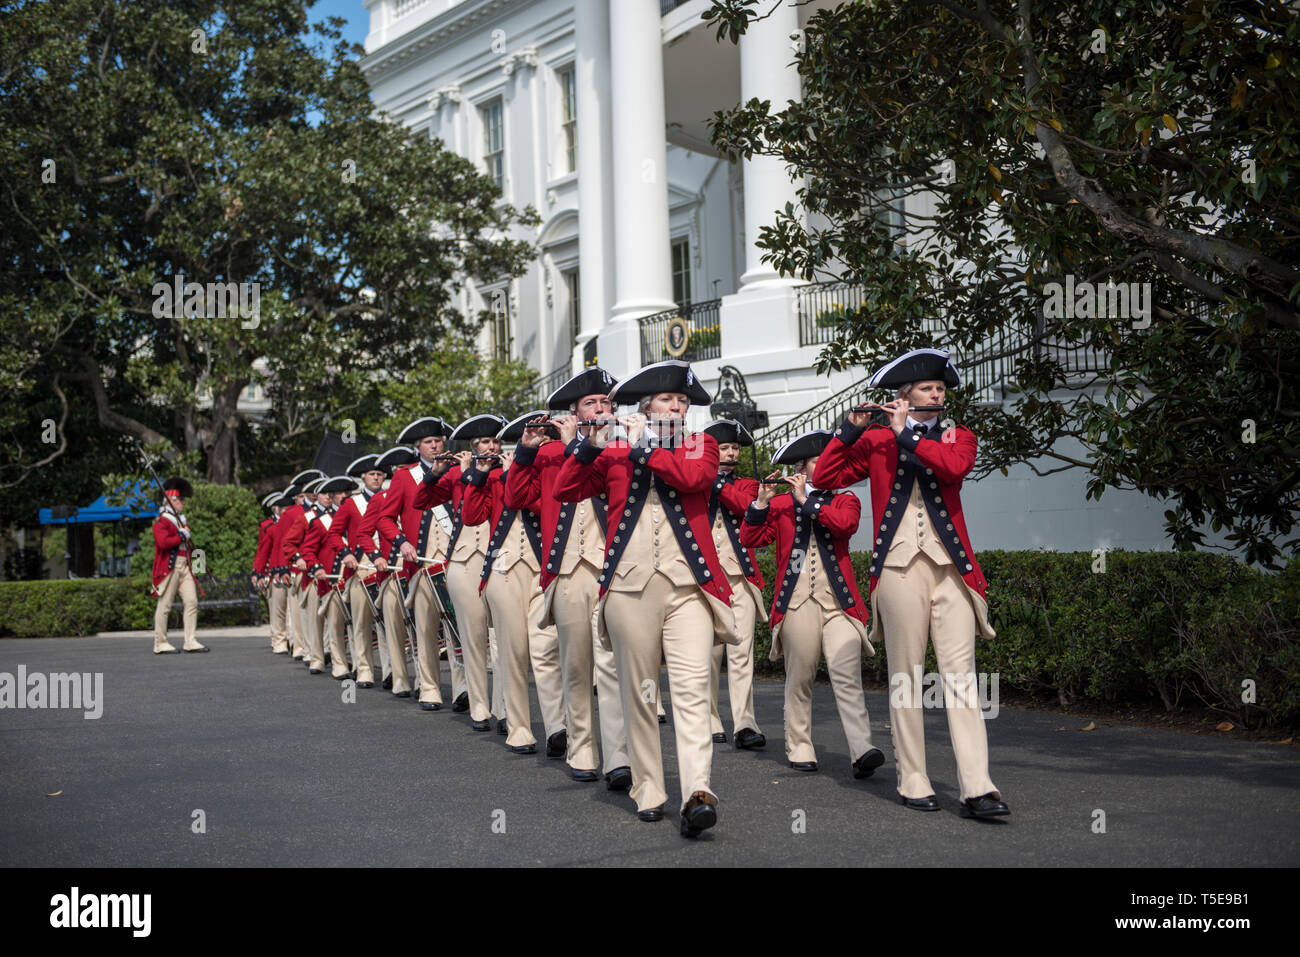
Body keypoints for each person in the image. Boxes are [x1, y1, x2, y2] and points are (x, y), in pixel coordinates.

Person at [812, 347, 1008, 819]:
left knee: (961, 678)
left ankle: (978, 787)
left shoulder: (959, 437)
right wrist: (852, 429)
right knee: (906, 676)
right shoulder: (876, 441)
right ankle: (913, 777)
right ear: (903, 395)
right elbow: (824, 476)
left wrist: (907, 434)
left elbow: (953, 469)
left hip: (952, 571)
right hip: (898, 569)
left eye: (940, 389)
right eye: (927, 389)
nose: (937, 394)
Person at [554, 359, 737, 838]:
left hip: (689, 586)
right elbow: (564, 488)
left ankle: (698, 790)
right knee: (639, 692)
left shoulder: (703, 444)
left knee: (694, 689)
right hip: (629, 586)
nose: (676, 406)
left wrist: (644, 448)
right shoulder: (612, 447)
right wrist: (587, 444)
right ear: (644, 405)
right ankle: (649, 786)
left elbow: (694, 481)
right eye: (666, 399)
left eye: (682, 400)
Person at [506, 369, 631, 787]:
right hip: (566, 570)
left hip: (612, 567)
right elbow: (516, 498)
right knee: (576, 665)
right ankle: (582, 749)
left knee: (612, 666)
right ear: (574, 412)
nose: (601, 409)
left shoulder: (625, 447)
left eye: (606, 402)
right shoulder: (549, 455)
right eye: (591, 404)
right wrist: (525, 452)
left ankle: (618, 757)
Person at [741, 429, 884, 778]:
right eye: (819, 461)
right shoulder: (779, 505)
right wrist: (761, 502)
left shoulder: (846, 499)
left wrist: (808, 501)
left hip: (839, 605)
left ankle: (862, 748)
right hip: (796, 601)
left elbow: (844, 526)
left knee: (847, 674)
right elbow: (750, 538)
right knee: (801, 674)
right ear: (802, 470)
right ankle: (800, 744)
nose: (828, 466)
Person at [466, 412, 566, 757]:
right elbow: (471, 515)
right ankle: (520, 727)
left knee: (546, 648)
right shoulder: (494, 476)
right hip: (504, 567)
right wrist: (480, 475)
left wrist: (519, 473)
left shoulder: (545, 471)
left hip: (541, 566)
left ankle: (558, 727)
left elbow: (537, 503)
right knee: (513, 650)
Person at [414, 415, 508, 731]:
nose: (491, 446)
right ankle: (479, 707)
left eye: (495, 440)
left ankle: (507, 708)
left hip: (501, 560)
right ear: (472, 445)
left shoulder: (509, 468)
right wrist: (437, 473)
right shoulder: (457, 472)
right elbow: (421, 501)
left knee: (504, 640)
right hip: (464, 560)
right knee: (473, 636)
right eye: (484, 442)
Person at [372, 417, 470, 711]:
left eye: (438, 441)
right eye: (429, 442)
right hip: (422, 564)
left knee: (456, 627)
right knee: (425, 629)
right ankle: (429, 687)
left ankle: (462, 688)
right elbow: (385, 519)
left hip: (453, 561)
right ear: (418, 447)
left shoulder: (456, 470)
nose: (435, 446)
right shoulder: (405, 477)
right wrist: (402, 542)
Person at [700, 419, 766, 751]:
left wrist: (714, 482)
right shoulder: (695, 483)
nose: (730, 453)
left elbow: (744, 506)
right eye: (723, 448)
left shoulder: (749, 485)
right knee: (708, 654)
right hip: (705, 578)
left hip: (740, 578)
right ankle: (709, 718)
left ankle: (745, 723)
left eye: (734, 448)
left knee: (741, 652)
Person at [326, 454, 388, 689]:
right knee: (361, 623)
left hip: (387, 565)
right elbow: (333, 533)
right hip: (360, 567)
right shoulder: (351, 504)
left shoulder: (389, 497)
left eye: (380, 474)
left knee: (388, 623)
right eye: (372, 474)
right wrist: (346, 554)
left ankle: (391, 670)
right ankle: (364, 670)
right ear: (363, 477)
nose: (376, 477)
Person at [151, 477, 207, 654]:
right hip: (171, 566)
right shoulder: (163, 520)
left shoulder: (181, 520)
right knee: (165, 605)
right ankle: (160, 642)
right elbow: (163, 543)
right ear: (172, 500)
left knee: (192, 602)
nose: (183, 503)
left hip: (186, 566)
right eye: (181, 499)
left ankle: (190, 640)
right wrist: (181, 536)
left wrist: (198, 560)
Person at [253, 492, 289, 654]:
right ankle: (278, 640)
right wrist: (259, 573)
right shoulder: (268, 526)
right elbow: (263, 551)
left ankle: (291, 640)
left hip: (290, 569)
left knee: (291, 610)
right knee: (277, 609)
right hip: (274, 571)